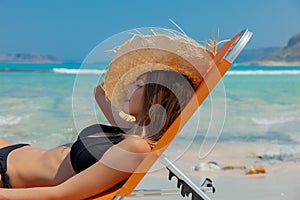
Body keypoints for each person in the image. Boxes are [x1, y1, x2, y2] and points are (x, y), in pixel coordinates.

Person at [0, 31, 214, 199]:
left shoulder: (136, 147)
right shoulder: (130, 131)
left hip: (7, 176)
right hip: (13, 151)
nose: (128, 87)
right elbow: (99, 92)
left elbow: (61, 194)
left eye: (138, 85)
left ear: (155, 98)